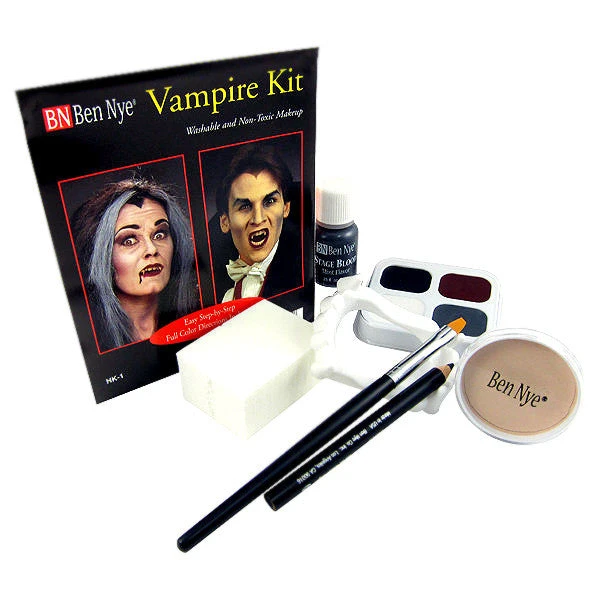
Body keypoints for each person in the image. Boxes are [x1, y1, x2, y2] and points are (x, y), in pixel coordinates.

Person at [71, 177, 199, 352]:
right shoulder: (84, 340)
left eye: (160, 234)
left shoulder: (197, 316)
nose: (152, 249)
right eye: (129, 240)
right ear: (103, 257)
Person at [215, 143, 302, 301]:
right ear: (225, 222)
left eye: (269, 201)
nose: (258, 219)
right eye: (245, 206)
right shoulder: (226, 297)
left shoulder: (301, 277)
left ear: (286, 207)